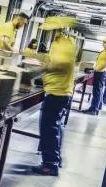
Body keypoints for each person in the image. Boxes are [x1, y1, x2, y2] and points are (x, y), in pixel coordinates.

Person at [31, 16, 77, 176]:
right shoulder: (63, 43)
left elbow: (61, 64)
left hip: (58, 93)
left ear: (58, 29)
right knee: (55, 127)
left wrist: (39, 69)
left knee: (49, 130)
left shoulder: (64, 44)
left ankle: (50, 164)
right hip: (58, 91)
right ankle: (55, 159)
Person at [83, 37, 106, 115]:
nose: (104, 43)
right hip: (99, 72)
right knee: (97, 91)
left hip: (102, 73)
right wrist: (94, 69)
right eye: (103, 42)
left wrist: (97, 70)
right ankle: (96, 109)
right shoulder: (104, 51)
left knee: (97, 92)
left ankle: (93, 109)